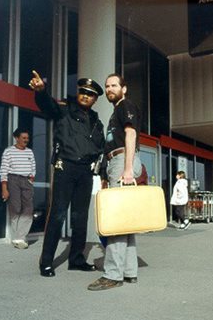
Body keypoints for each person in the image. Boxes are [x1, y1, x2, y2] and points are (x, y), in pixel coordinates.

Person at [29, 70, 105, 277]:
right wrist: (41, 92)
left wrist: (101, 170)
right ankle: (46, 263)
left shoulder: (97, 123)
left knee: (81, 218)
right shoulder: (64, 110)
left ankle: (77, 260)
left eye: (90, 94)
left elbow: (100, 150)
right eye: (83, 91)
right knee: (58, 215)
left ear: (95, 99)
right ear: (78, 92)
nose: (85, 96)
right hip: (66, 168)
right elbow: (47, 106)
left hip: (85, 173)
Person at [88, 73, 143, 291]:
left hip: (123, 162)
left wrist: (128, 169)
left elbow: (131, 135)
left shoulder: (124, 105)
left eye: (114, 85)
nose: (110, 89)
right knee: (125, 222)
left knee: (117, 222)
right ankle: (129, 271)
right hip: (117, 163)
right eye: (107, 86)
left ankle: (112, 274)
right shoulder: (115, 112)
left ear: (124, 88)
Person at [0, 128, 36, 249]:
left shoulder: (29, 152)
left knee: (28, 209)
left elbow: (33, 168)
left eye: (27, 138)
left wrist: (30, 179)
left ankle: (20, 237)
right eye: (24, 138)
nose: (26, 140)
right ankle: (17, 237)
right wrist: (4, 188)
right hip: (13, 180)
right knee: (16, 207)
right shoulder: (8, 151)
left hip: (26, 181)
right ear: (17, 138)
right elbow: (3, 169)